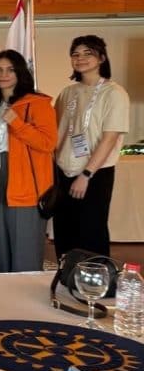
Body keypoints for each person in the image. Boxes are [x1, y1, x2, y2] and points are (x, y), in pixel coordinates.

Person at [53, 35, 129, 258]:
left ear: (102, 58)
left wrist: (86, 175)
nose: (80, 58)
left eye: (88, 53)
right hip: (64, 171)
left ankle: (95, 278)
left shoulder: (114, 93)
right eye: (75, 54)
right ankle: (66, 276)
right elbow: (57, 133)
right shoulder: (67, 92)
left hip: (94, 174)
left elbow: (110, 138)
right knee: (64, 232)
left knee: (91, 232)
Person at [0, 50, 57, 272]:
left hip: (24, 181)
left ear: (20, 73)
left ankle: (25, 290)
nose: (3, 75)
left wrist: (17, 123)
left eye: (10, 70)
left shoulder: (37, 103)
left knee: (24, 248)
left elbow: (48, 143)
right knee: (1, 244)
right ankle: (5, 288)